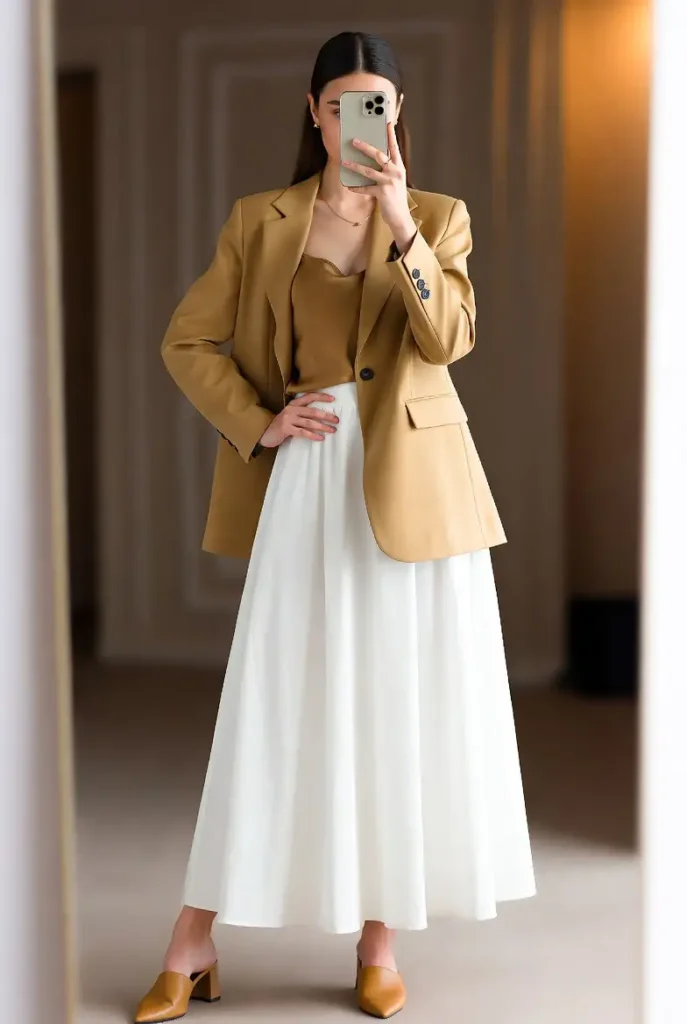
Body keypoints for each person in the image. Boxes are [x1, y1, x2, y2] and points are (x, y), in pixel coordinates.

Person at [134, 30, 535, 1024]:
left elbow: (450, 338)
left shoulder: (438, 217)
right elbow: (187, 337)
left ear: (398, 113)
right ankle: (195, 935)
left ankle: (378, 938)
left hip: (416, 486)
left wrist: (399, 224)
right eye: (344, 103)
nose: (364, 119)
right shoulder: (261, 222)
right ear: (314, 112)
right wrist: (259, 422)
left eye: (381, 103)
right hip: (310, 477)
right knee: (274, 702)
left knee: (393, 701)